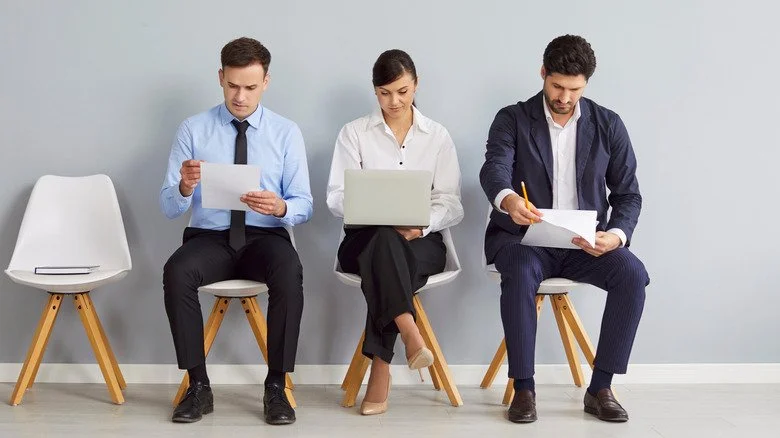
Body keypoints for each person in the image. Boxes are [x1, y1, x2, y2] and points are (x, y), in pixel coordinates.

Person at [479, 35, 649, 423]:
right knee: (520, 272)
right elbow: (494, 168)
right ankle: (524, 389)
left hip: (584, 244)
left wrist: (616, 235)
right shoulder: (512, 118)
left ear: (586, 83)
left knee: (632, 274)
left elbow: (628, 195)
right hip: (524, 240)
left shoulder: (608, 124)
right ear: (543, 73)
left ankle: (600, 387)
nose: (565, 97)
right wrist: (509, 200)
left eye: (575, 89)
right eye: (557, 86)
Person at [160, 37, 312, 425]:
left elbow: (304, 204)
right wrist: (184, 187)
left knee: (289, 271)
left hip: (265, 237)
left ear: (266, 82)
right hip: (209, 239)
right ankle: (198, 386)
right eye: (232, 86)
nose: (240, 97)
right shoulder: (193, 129)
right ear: (220, 78)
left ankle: (276, 386)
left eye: (249, 87)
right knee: (176, 272)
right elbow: (167, 206)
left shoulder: (286, 132)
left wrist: (281, 207)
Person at [326, 49, 463, 415]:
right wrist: (373, 212)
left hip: (422, 241)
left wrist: (422, 224)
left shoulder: (437, 136)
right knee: (383, 241)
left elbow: (451, 202)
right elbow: (335, 197)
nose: (394, 101)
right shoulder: (353, 133)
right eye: (385, 93)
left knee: (385, 261)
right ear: (375, 91)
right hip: (362, 239)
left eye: (402, 91)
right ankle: (408, 327)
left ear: (416, 85)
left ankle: (381, 369)